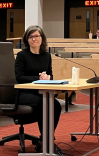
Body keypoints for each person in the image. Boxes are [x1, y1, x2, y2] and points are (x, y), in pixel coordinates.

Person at [15, 25, 62, 153]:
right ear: (27, 39)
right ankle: (47, 142)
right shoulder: (22, 55)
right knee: (44, 103)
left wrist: (48, 77)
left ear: (42, 38)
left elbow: (50, 74)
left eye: (36, 36)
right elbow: (19, 77)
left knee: (56, 105)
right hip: (24, 93)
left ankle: (44, 140)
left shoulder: (47, 56)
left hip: (41, 92)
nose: (33, 39)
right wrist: (38, 78)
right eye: (30, 37)